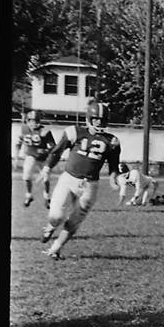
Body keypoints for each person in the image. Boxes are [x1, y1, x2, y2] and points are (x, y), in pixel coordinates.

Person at [39, 102, 122, 260]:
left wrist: (113, 179)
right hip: (69, 179)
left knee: (74, 221)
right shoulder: (75, 132)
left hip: (90, 185)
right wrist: (47, 167)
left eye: (102, 119)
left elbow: (113, 165)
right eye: (96, 119)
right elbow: (57, 151)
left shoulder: (112, 141)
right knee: (56, 215)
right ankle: (50, 226)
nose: (99, 122)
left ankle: (55, 249)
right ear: (89, 118)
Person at [16, 110, 57, 208]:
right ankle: (29, 195)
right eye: (31, 120)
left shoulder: (45, 131)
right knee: (26, 176)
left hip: (43, 158)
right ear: (27, 121)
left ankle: (47, 198)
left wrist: (45, 150)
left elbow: (54, 147)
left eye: (35, 120)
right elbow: (18, 143)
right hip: (31, 156)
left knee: (46, 179)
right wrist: (16, 157)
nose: (33, 123)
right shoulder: (24, 129)